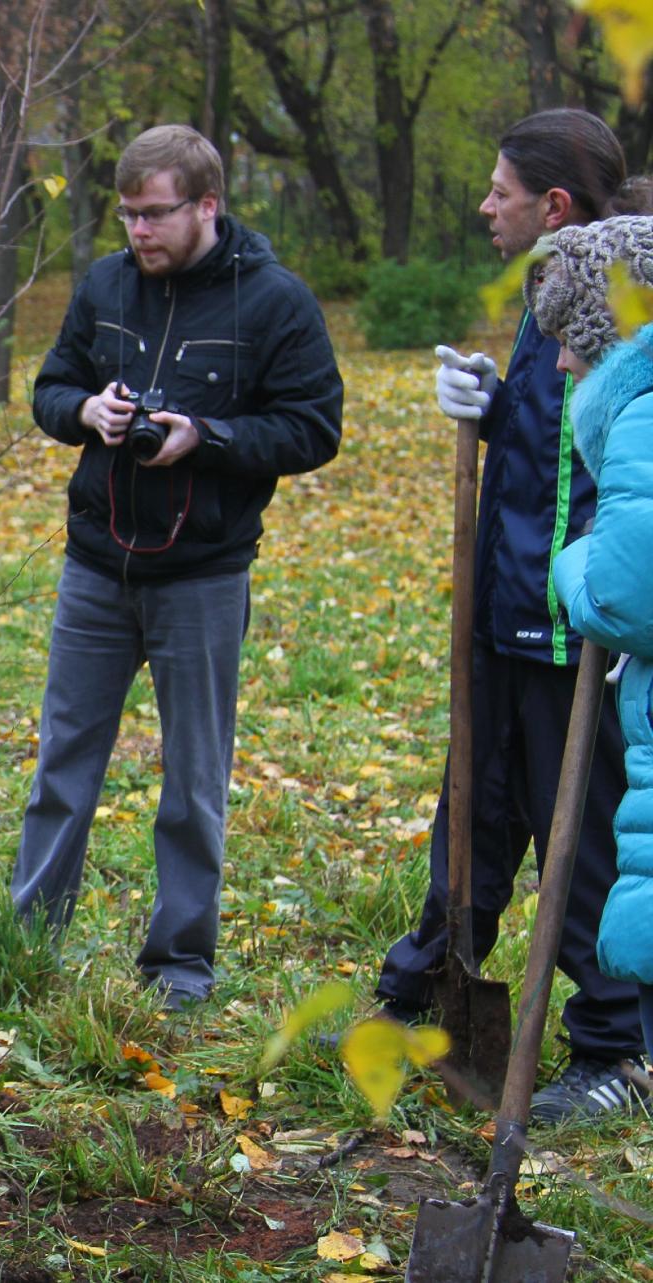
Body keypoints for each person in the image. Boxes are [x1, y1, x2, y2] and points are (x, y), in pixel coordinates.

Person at [10, 124, 344, 1011]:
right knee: (63, 763)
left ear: (207, 205)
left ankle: (180, 965)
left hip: (203, 574)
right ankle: (28, 941)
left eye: (155, 215)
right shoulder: (107, 284)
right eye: (126, 215)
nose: (139, 233)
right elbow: (49, 386)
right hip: (96, 565)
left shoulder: (274, 303)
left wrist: (210, 437)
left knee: (194, 778)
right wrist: (86, 409)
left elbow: (315, 428)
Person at [370, 109, 647, 1122]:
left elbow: (604, 462)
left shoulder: (616, 300)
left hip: (575, 634)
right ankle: (419, 992)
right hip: (508, 613)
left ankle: (611, 1050)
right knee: (471, 818)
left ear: (553, 205)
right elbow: (545, 437)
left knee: (579, 847)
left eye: (498, 190)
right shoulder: (551, 290)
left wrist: (581, 604)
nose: (484, 204)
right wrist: (489, 405)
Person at [532, 215, 653, 1100]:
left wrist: (570, 564)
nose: (564, 365)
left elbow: (619, 595)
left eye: (574, 343)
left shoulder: (644, 413)